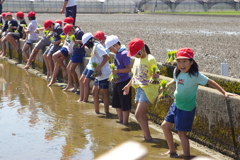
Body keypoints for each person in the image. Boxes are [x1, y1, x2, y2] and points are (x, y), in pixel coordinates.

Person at [160, 48, 237, 158]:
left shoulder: (195, 75)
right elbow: (176, 80)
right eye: (179, 61)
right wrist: (166, 85)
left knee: (181, 133)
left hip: (186, 108)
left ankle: (187, 156)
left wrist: (224, 92)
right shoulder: (176, 71)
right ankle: (172, 150)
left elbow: (210, 82)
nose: (181, 64)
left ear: (191, 62)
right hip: (176, 105)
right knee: (164, 126)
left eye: (184, 61)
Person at [122, 38, 160, 141]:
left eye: (136, 53)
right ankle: (146, 135)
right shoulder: (137, 60)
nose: (135, 55)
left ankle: (148, 138)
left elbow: (156, 73)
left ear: (142, 49)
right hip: (139, 89)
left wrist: (156, 75)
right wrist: (128, 85)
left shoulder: (150, 58)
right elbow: (135, 76)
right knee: (142, 115)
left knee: (137, 114)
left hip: (148, 89)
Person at [79, 32, 111, 116]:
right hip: (98, 74)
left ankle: (107, 112)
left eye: (86, 44)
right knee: (94, 92)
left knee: (104, 93)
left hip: (104, 74)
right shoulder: (94, 47)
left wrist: (99, 67)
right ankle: (97, 112)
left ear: (89, 42)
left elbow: (107, 57)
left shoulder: (98, 46)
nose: (86, 46)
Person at [105, 35, 131, 125]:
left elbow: (129, 69)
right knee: (116, 103)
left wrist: (118, 71)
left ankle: (125, 122)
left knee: (124, 104)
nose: (110, 51)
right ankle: (120, 120)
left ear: (116, 45)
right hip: (116, 81)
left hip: (124, 81)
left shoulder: (124, 54)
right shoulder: (117, 54)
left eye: (110, 48)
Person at [63, 24, 85, 92]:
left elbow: (86, 41)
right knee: (68, 68)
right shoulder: (73, 34)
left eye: (68, 33)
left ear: (72, 30)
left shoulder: (79, 33)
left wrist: (77, 41)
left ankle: (76, 85)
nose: (68, 35)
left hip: (79, 53)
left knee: (72, 69)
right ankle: (69, 84)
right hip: (75, 52)